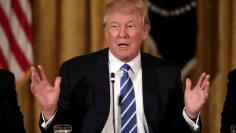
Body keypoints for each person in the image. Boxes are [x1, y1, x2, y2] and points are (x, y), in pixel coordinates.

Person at [30, 0, 210, 132]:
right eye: (115, 26)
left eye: (130, 26)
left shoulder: (167, 74)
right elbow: (62, 129)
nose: (122, 34)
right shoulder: (76, 71)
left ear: (144, 31)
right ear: (106, 32)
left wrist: (190, 114)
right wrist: (49, 110)